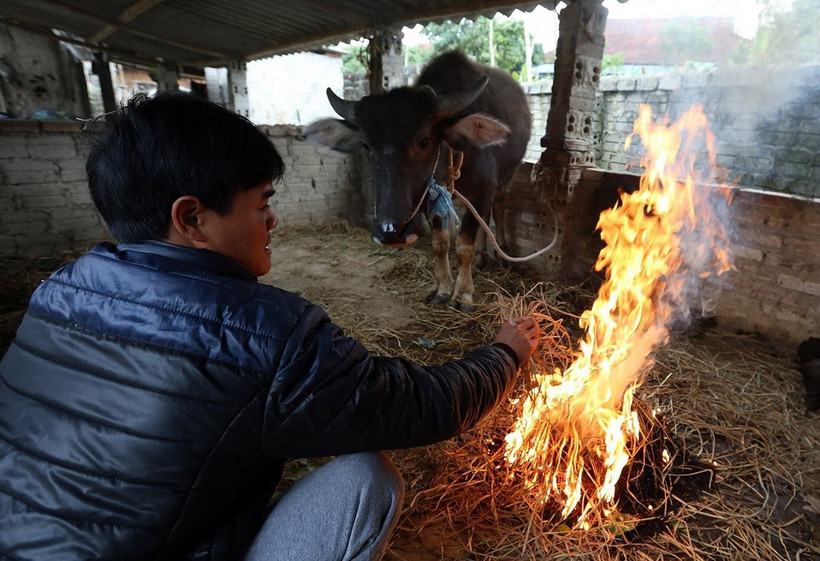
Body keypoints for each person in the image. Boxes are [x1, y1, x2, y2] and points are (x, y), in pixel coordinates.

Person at [0, 92, 540, 561]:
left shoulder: (58, 288)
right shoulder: (263, 333)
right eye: (262, 204)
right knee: (366, 478)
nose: (273, 220)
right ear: (192, 218)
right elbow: (423, 405)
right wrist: (506, 353)